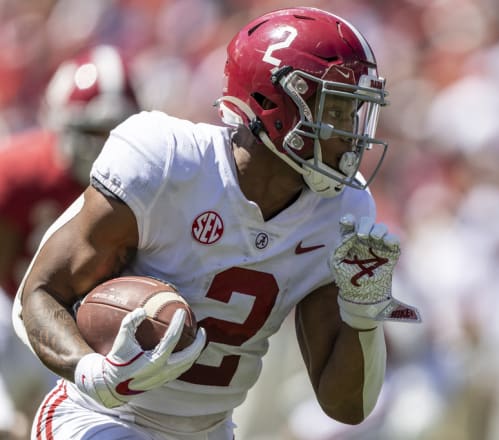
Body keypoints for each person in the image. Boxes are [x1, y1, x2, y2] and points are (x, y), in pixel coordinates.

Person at [12, 7, 420, 440]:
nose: (351, 133)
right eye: (336, 110)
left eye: (354, 112)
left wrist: (363, 316)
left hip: (209, 430)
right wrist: (92, 370)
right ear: (272, 102)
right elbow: (38, 294)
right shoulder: (168, 161)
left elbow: (347, 407)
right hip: (102, 419)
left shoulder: (342, 209)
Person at [0, 44, 139, 438]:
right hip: (12, 311)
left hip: (86, 327)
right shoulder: (20, 173)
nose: (101, 147)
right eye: (91, 131)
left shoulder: (148, 186)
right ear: (60, 125)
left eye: (113, 132)